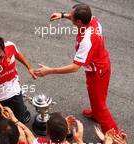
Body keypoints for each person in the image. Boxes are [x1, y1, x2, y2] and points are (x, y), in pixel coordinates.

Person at [34, 3, 118, 133]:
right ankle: (95, 113)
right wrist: (62, 15)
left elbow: (74, 67)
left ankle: (115, 140)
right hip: (100, 66)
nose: (69, 16)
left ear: (78, 21)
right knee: (96, 98)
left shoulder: (87, 40)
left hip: (98, 73)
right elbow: (77, 17)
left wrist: (49, 70)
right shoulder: (92, 19)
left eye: (71, 16)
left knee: (101, 107)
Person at [0, 36, 36, 123]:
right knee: (5, 124)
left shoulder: (10, 46)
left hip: (15, 91)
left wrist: (29, 67)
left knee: (21, 120)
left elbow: (18, 54)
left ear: (4, 48)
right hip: (0, 98)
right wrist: (0, 108)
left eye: (0, 57)